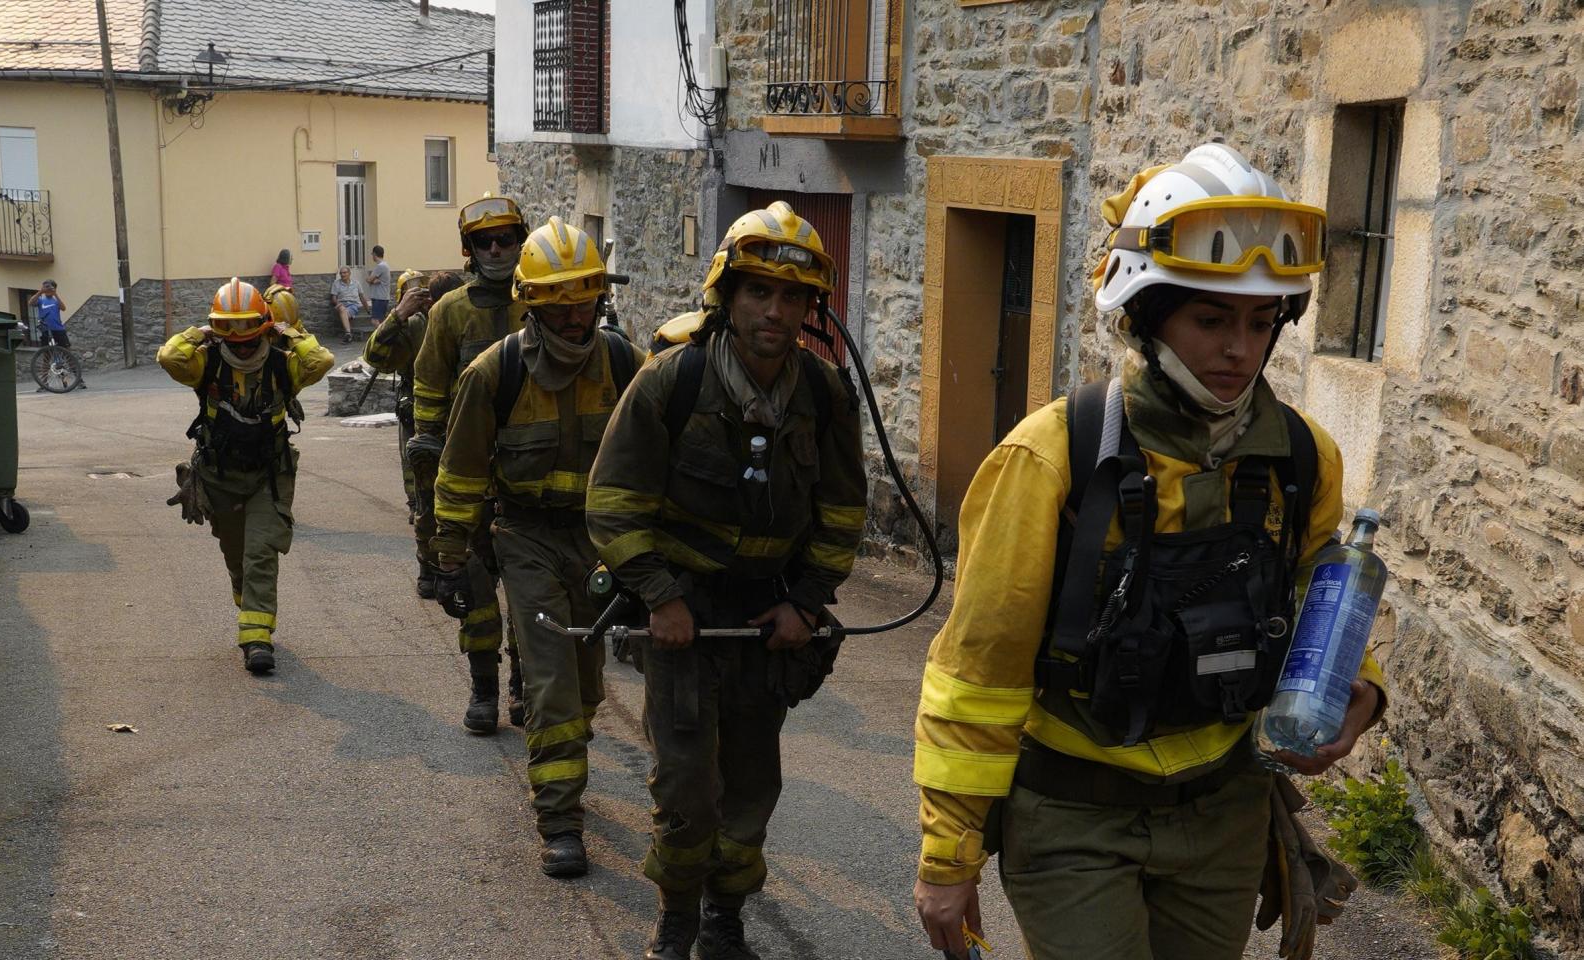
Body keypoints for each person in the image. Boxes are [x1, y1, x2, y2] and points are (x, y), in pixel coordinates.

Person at [910, 143, 1389, 960]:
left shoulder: (1305, 461)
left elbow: (1319, 612)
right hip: (1072, 819)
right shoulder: (1050, 458)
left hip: (1226, 815)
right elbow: (976, 677)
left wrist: (1361, 694)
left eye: (1261, 319)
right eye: (1211, 319)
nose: (1240, 348)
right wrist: (949, 856)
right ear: (1144, 313)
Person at [586, 201, 867, 960]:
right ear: (727, 295)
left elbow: (843, 513)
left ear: (813, 308)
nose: (776, 312)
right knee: (686, 788)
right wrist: (661, 596)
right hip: (684, 615)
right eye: (759, 293)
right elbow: (611, 503)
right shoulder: (671, 382)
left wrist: (806, 604)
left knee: (749, 788)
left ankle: (725, 916)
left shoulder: (825, 394)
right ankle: (676, 913)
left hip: (767, 621)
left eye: (793, 298)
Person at [433, 218, 642, 878]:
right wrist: (447, 557)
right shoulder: (493, 374)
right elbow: (460, 472)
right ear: (534, 303)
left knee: (586, 687)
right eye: (561, 301)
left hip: (600, 540)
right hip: (524, 538)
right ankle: (560, 820)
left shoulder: (624, 364)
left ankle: (565, 762)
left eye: (586, 298)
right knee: (550, 681)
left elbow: (652, 460)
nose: (577, 316)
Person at [157, 278, 335, 673]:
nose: (238, 340)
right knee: (236, 554)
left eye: (246, 329)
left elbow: (320, 361)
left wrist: (288, 332)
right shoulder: (208, 361)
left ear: (263, 325)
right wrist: (200, 332)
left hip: (269, 473)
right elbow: (170, 357)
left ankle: (256, 639)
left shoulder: (283, 361)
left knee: (261, 551)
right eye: (227, 329)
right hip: (219, 475)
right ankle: (246, 600)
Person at [411, 194, 531, 733]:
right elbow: (429, 390)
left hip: (532, 476)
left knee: (533, 597)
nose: (497, 248)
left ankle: (526, 685)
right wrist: (429, 453)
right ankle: (484, 688)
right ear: (468, 249)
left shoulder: (541, 303)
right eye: (485, 240)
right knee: (477, 595)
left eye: (506, 238)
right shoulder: (449, 312)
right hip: (470, 479)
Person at [362, 268, 465, 587]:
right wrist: (398, 315)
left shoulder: (473, 324)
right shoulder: (418, 327)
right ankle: (430, 570)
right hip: (425, 425)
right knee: (427, 502)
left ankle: (466, 567)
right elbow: (375, 357)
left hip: (467, 425)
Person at [330, 265, 367, 344]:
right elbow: (333, 298)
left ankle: (348, 334)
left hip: (353, 305)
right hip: (340, 304)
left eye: (345, 273)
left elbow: (362, 297)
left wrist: (367, 309)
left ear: (349, 273)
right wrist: (337, 303)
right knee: (342, 308)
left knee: (343, 311)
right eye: (341, 273)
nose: (343, 275)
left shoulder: (356, 283)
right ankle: (348, 334)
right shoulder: (336, 283)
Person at [366, 245, 391, 325]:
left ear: (374, 254)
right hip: (382, 297)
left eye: (372, 254)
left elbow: (369, 279)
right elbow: (374, 280)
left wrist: (371, 280)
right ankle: (383, 336)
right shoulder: (385, 265)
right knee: (381, 321)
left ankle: (382, 336)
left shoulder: (380, 266)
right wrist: (375, 281)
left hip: (379, 298)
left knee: (375, 321)